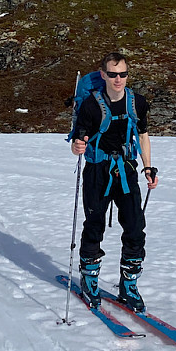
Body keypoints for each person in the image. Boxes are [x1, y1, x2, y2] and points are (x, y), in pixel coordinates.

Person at [70, 52, 158, 311]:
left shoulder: (137, 102)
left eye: (123, 74)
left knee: (134, 226)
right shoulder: (90, 105)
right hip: (98, 170)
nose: (118, 79)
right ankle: (89, 279)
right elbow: (80, 138)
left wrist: (148, 167)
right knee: (94, 224)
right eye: (112, 74)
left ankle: (129, 284)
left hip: (127, 170)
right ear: (102, 75)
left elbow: (143, 135)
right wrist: (77, 147)